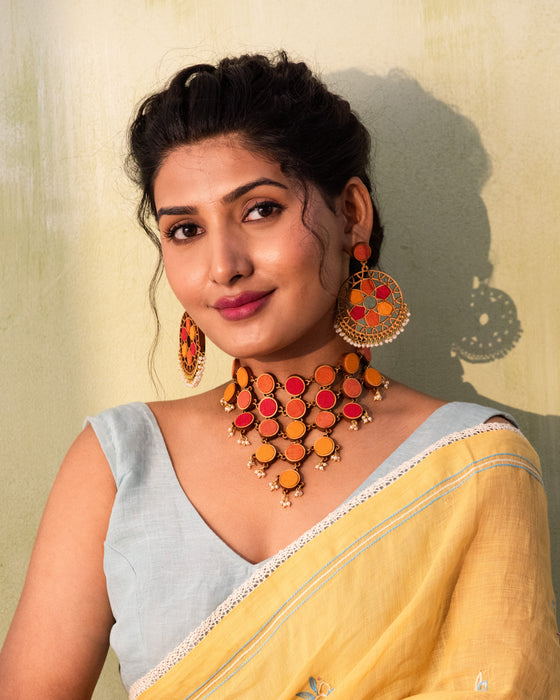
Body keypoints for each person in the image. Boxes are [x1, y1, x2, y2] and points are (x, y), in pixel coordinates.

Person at [0, 52, 558, 700]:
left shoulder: (472, 462)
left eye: (259, 210)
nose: (223, 264)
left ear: (351, 212)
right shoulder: (119, 461)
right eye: (185, 229)